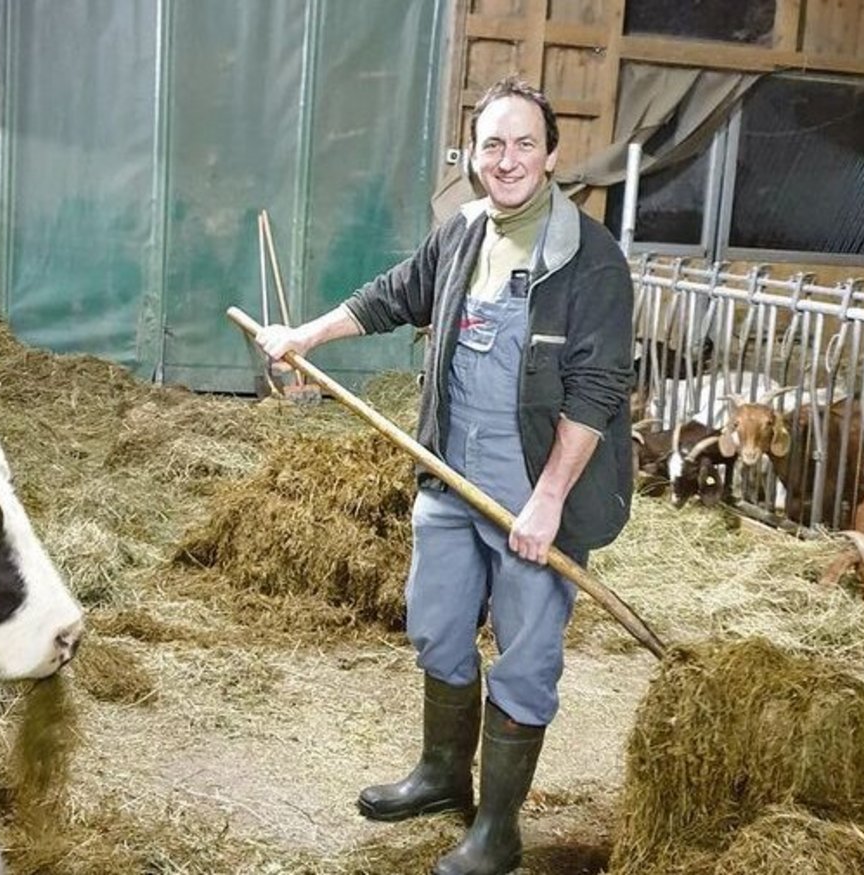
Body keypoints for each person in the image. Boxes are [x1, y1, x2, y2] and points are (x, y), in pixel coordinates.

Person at [256, 76, 634, 875]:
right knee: (435, 626)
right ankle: (439, 774)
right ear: (473, 158)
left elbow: (598, 391)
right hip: (450, 480)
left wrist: (548, 503)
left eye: (524, 143)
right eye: (492, 144)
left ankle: (497, 827)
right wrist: (304, 336)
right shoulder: (462, 232)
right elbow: (392, 297)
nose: (507, 160)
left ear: (552, 154)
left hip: (535, 492)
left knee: (526, 657)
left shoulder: (588, 257)